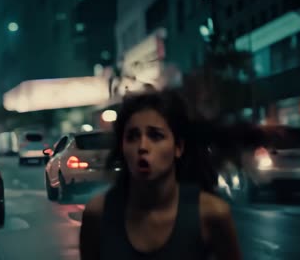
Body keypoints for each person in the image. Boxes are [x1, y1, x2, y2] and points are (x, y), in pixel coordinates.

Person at [80, 90, 242, 259]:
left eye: (155, 136)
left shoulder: (212, 213)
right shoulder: (98, 214)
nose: (142, 146)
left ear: (178, 147)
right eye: (132, 136)